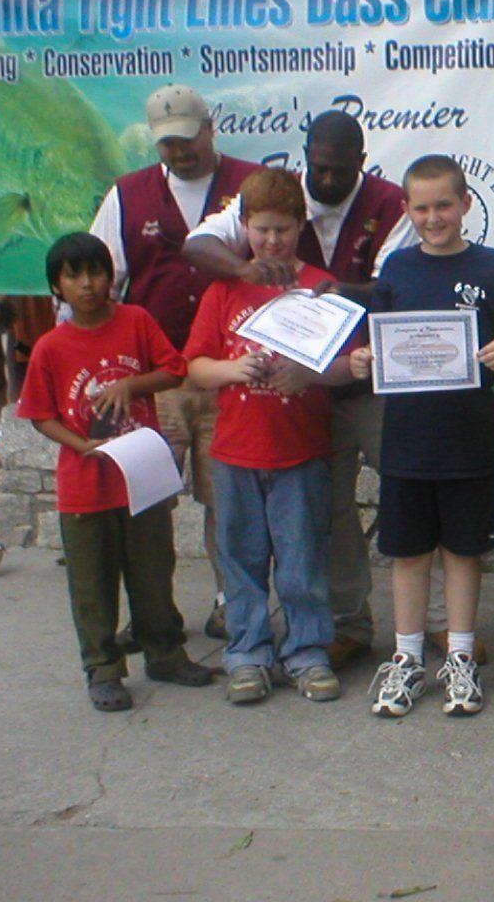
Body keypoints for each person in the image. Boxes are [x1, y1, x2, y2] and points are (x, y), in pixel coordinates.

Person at [185, 109, 413, 670]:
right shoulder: (252, 242)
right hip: (261, 429)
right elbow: (196, 259)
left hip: (341, 403)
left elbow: (388, 292)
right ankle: (290, 640)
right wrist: (241, 282)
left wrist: (327, 325)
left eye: (282, 231)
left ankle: (404, 631)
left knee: (394, 503)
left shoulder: (381, 212)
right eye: (320, 166)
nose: (271, 240)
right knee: (281, 541)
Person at [350, 155, 494, 719]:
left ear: (465, 204)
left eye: (444, 205)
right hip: (405, 440)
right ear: (407, 211)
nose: (434, 217)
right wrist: (362, 359)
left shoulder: (492, 266)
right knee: (407, 553)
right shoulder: (398, 271)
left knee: (463, 550)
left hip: (466, 440)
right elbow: (373, 343)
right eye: (422, 207)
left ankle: (459, 654)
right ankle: (406, 660)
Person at [90, 84, 262, 641]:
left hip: (229, 374)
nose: (179, 152)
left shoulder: (250, 187)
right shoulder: (125, 194)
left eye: (187, 139)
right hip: (156, 379)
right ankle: (151, 612)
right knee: (145, 502)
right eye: (167, 144)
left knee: (227, 502)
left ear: (210, 129)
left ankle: (229, 602)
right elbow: (103, 282)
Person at [16, 233, 214, 711]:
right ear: (56, 287)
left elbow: (174, 370)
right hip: (85, 484)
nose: (87, 284)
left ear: (111, 276)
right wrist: (82, 446)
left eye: (96, 272)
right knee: (92, 581)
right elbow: (41, 414)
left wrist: (131, 383)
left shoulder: (136, 321)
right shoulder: (51, 347)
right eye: (73, 275)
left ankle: (164, 652)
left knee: (153, 571)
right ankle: (103, 669)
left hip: (141, 474)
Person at [184, 169, 355, 706]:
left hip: (299, 449)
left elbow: (354, 366)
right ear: (245, 227)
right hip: (236, 451)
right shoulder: (225, 288)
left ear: (302, 226)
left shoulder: (321, 286)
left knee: (302, 560)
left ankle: (306, 652)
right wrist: (233, 371)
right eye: (261, 230)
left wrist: (311, 374)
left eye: (283, 230)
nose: (272, 241)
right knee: (241, 558)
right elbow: (194, 367)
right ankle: (248, 652)